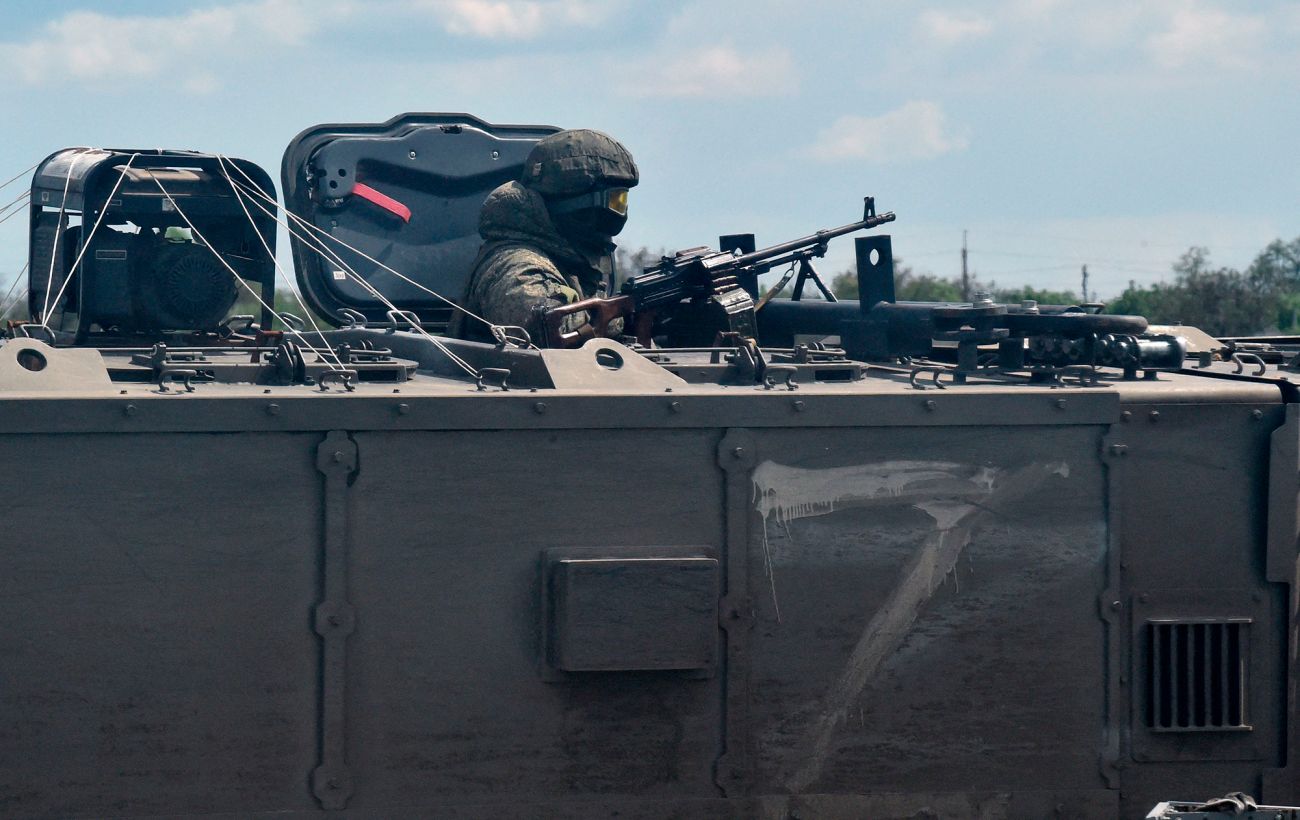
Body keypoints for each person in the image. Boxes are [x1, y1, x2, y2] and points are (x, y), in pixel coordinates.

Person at [450, 129, 638, 345]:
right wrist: (623, 315)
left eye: (622, 201)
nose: (620, 211)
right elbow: (543, 329)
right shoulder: (515, 264)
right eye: (615, 201)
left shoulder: (569, 263)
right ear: (578, 203)